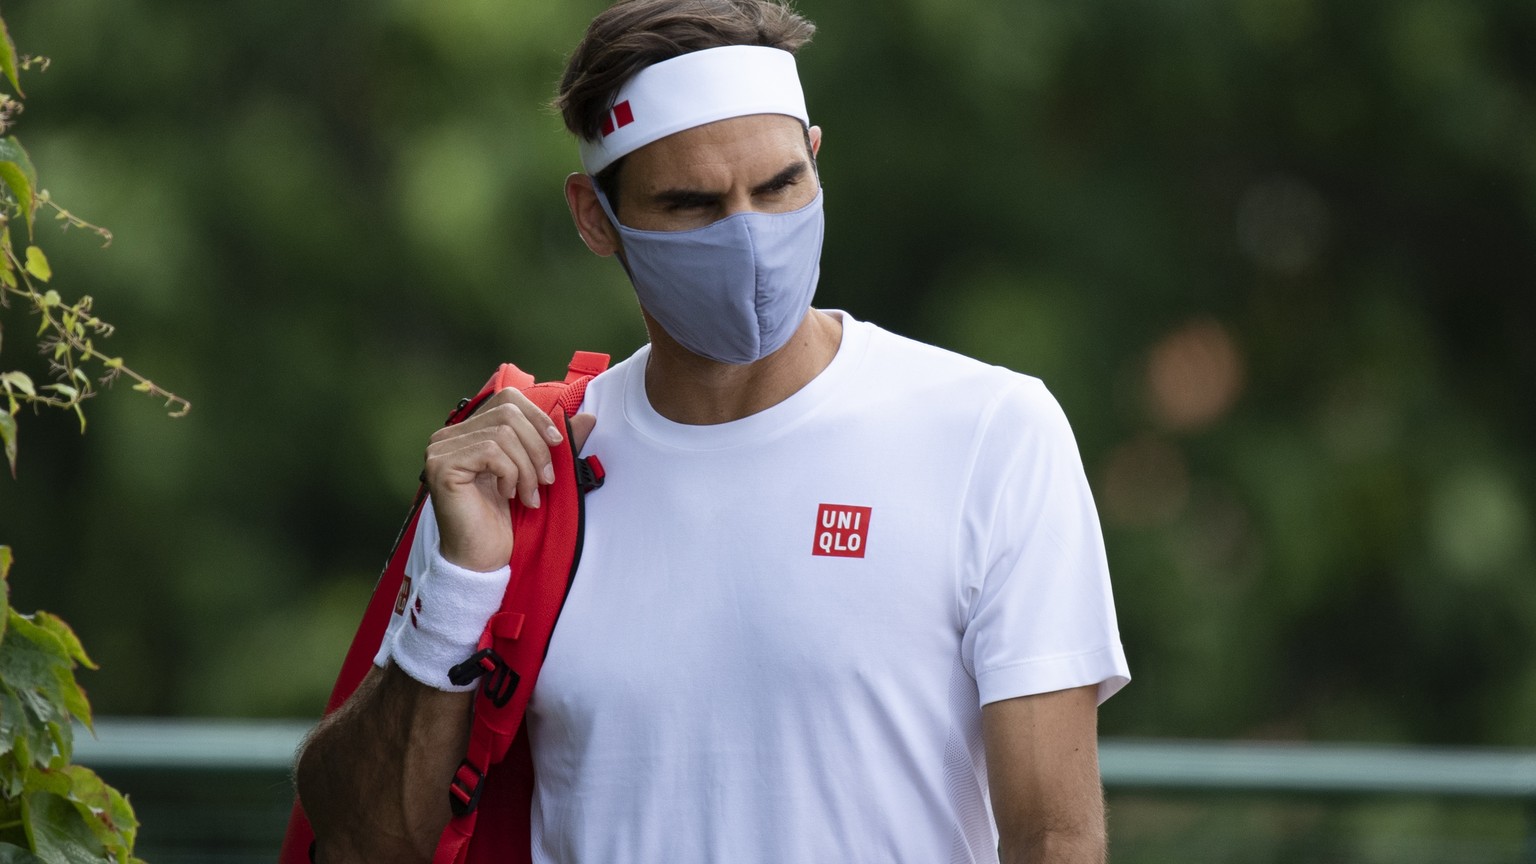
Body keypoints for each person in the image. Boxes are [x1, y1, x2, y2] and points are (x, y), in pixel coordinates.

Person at [294, 1, 1130, 862]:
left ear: (815, 159)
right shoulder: (525, 471)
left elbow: (1052, 836)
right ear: (594, 217)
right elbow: (364, 842)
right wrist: (459, 587)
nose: (751, 240)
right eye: (691, 204)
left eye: (778, 187)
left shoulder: (991, 432)